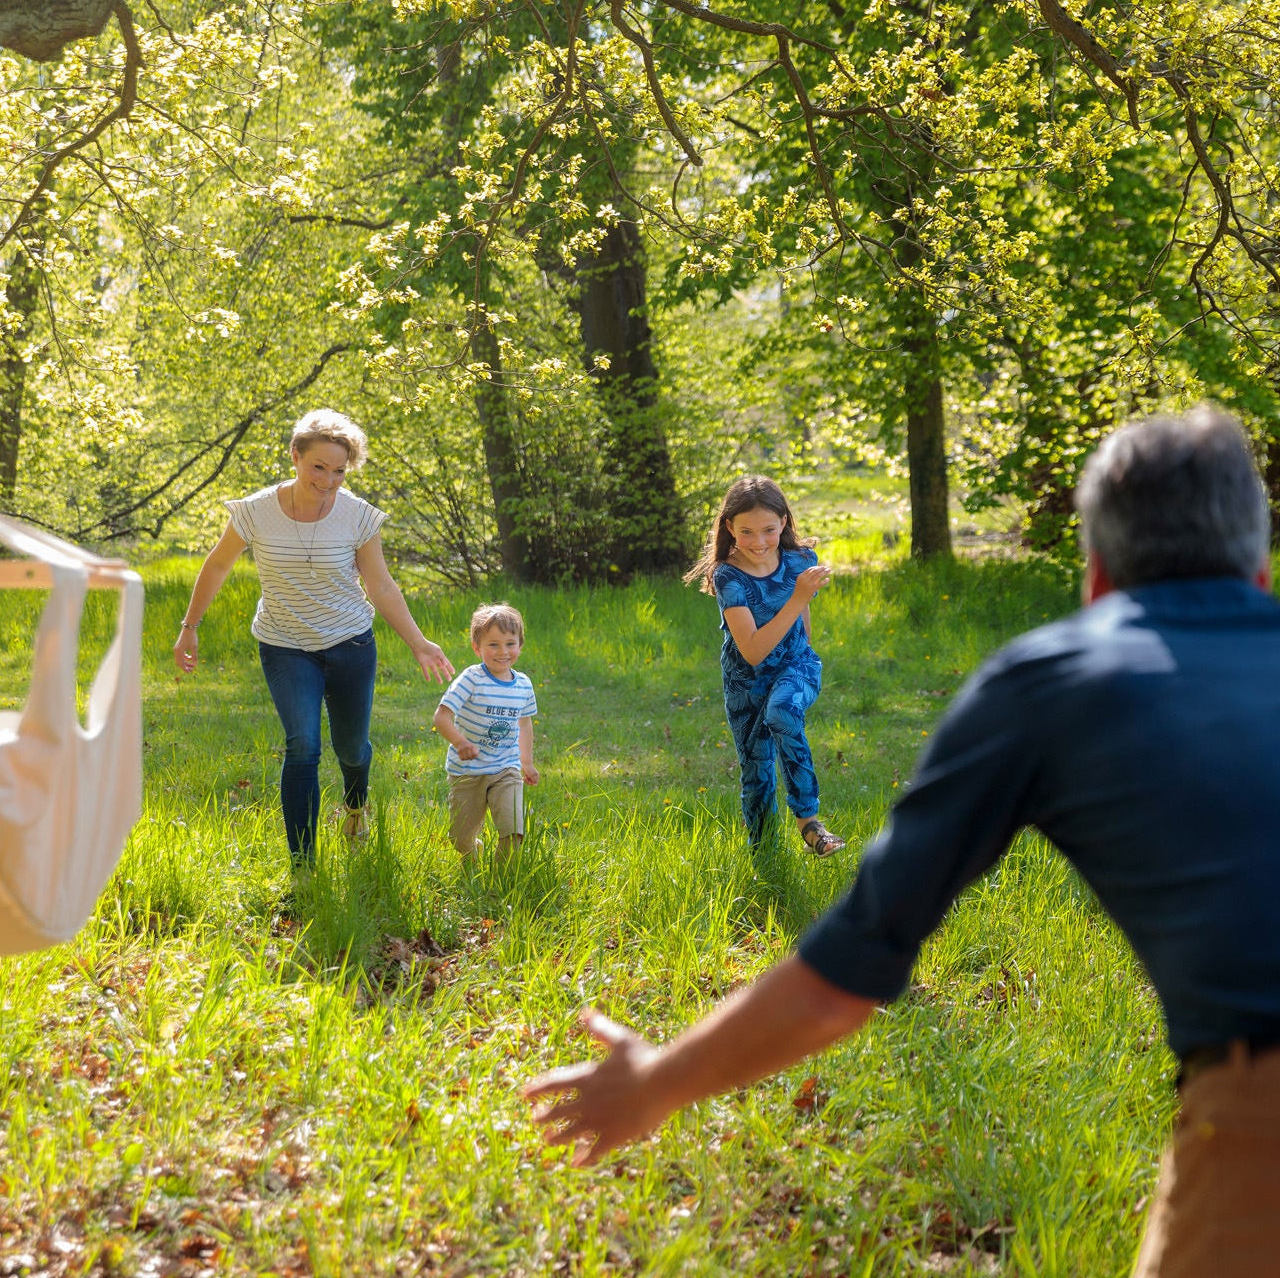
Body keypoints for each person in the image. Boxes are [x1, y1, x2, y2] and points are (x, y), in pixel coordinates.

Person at [525, 406, 1280, 1278]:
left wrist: (656, 1082)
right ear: (1259, 566)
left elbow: (847, 975)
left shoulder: (1052, 681)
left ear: (1098, 572)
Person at [173, 409, 455, 867]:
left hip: (350, 645)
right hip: (284, 646)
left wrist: (419, 642)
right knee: (302, 744)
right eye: (318, 467)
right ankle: (303, 866)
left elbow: (380, 585)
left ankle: (356, 805)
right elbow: (219, 563)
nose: (328, 480)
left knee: (352, 748)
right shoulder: (256, 511)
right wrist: (190, 626)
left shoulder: (358, 516)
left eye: (339, 470)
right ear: (295, 457)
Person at [683, 475, 845, 856]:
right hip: (746, 680)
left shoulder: (799, 561)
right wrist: (799, 596)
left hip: (795, 665)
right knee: (756, 770)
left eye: (769, 530)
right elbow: (753, 651)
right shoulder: (728, 576)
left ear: (784, 522)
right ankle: (765, 856)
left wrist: (802, 655)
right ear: (729, 528)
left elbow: (803, 622)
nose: (759, 542)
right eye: (747, 532)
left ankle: (810, 823)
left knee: (783, 714)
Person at [432, 602, 539, 863]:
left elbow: (524, 724)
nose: (503, 651)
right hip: (468, 771)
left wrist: (526, 762)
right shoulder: (471, 678)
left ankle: (501, 883)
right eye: (493, 644)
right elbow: (442, 717)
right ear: (477, 647)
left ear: (520, 646)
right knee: (460, 838)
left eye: (510, 644)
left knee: (513, 830)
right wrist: (460, 742)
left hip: (506, 767)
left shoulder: (523, 684)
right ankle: (473, 852)